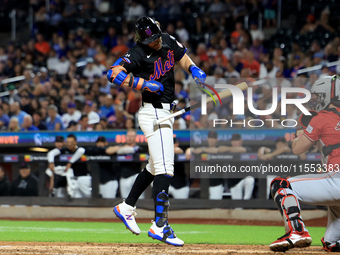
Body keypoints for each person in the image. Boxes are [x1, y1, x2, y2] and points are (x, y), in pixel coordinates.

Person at [107, 16, 206, 246]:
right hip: (153, 113)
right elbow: (113, 72)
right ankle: (160, 225)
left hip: (166, 112)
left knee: (154, 167)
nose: (156, 42)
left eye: (156, 36)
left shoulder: (167, 39)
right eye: (150, 39)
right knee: (166, 169)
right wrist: (141, 84)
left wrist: (194, 68)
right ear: (142, 38)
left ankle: (127, 206)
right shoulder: (138, 52)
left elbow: (182, 57)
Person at [269, 75, 340, 252]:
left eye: (317, 96)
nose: (315, 100)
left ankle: (297, 232)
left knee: (281, 184)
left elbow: (297, 149)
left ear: (326, 95)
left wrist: (299, 130)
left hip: (337, 180)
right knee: (332, 243)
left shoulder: (321, 117)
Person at [118, 129, 144, 199]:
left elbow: (131, 150)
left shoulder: (138, 148)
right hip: (124, 177)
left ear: (135, 137)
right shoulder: (120, 147)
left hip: (135, 176)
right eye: (128, 136)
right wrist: (120, 149)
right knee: (125, 199)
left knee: (139, 198)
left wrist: (120, 149)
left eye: (132, 136)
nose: (129, 138)